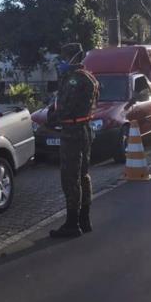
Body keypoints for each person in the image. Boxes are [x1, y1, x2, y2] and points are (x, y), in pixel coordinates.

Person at [47, 43, 99, 239]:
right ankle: (84, 219)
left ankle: (72, 223)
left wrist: (51, 115)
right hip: (85, 129)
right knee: (84, 176)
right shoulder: (90, 77)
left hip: (72, 132)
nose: (61, 62)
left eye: (63, 58)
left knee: (71, 179)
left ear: (73, 58)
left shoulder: (74, 80)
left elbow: (62, 110)